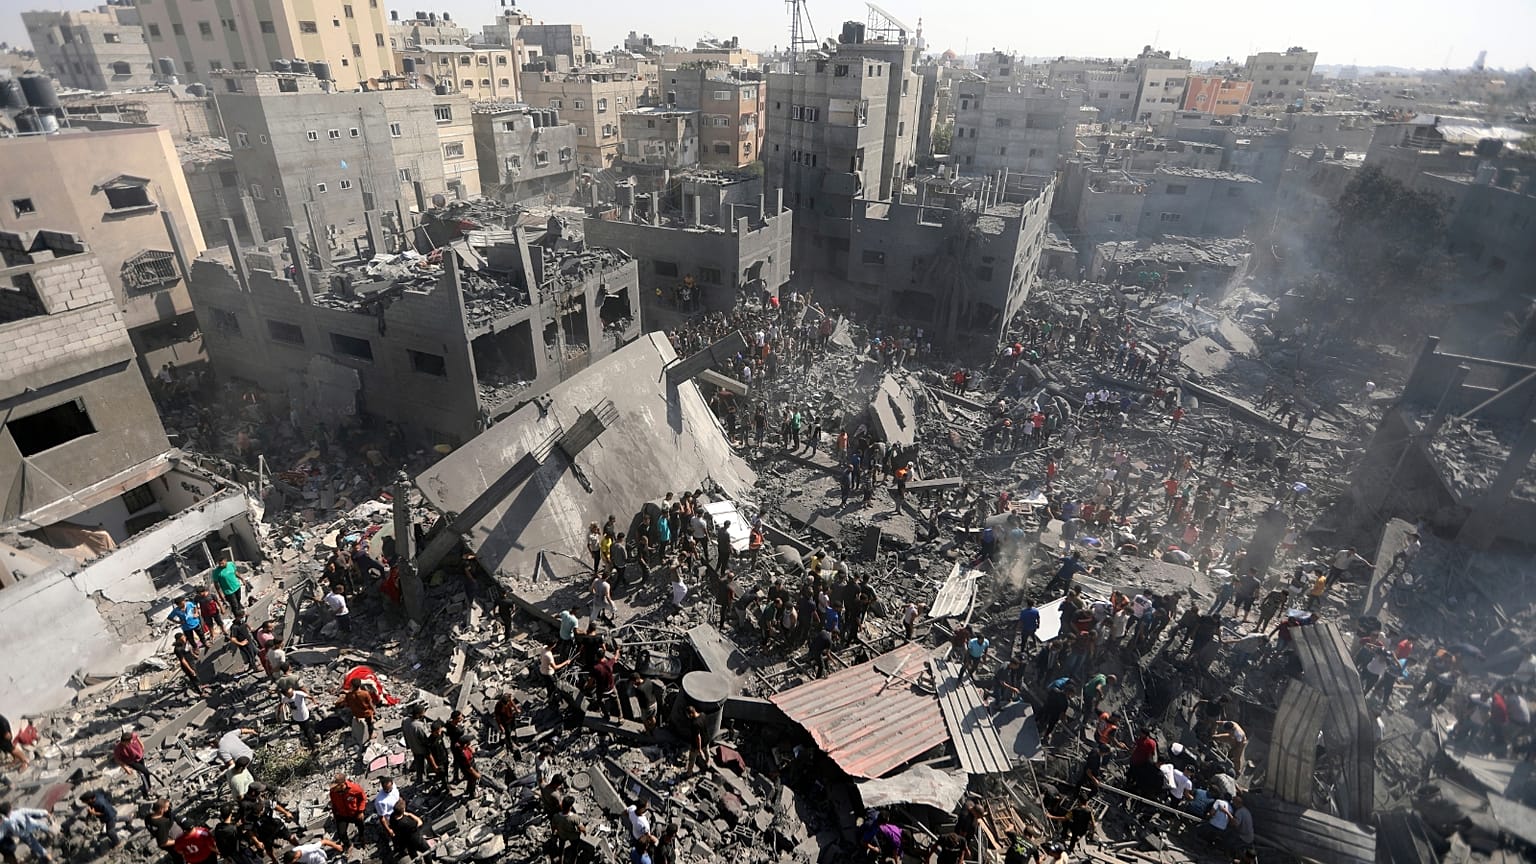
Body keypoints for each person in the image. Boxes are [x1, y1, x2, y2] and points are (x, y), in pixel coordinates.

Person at [446, 710, 480, 798]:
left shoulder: (449, 724)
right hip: (458, 747)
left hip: (456, 745)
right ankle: (470, 791)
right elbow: (469, 766)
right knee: (461, 763)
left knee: (457, 762)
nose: (462, 718)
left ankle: (456, 777)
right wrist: (475, 774)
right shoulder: (457, 730)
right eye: (460, 717)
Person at [112, 729, 154, 797]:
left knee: (145, 772)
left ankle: (148, 785)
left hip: (139, 757)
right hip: (132, 762)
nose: (132, 742)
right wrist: (125, 768)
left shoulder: (133, 736)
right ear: (124, 742)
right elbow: (117, 760)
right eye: (130, 741)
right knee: (145, 773)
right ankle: (148, 789)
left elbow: (137, 737)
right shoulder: (118, 749)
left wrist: (142, 745)